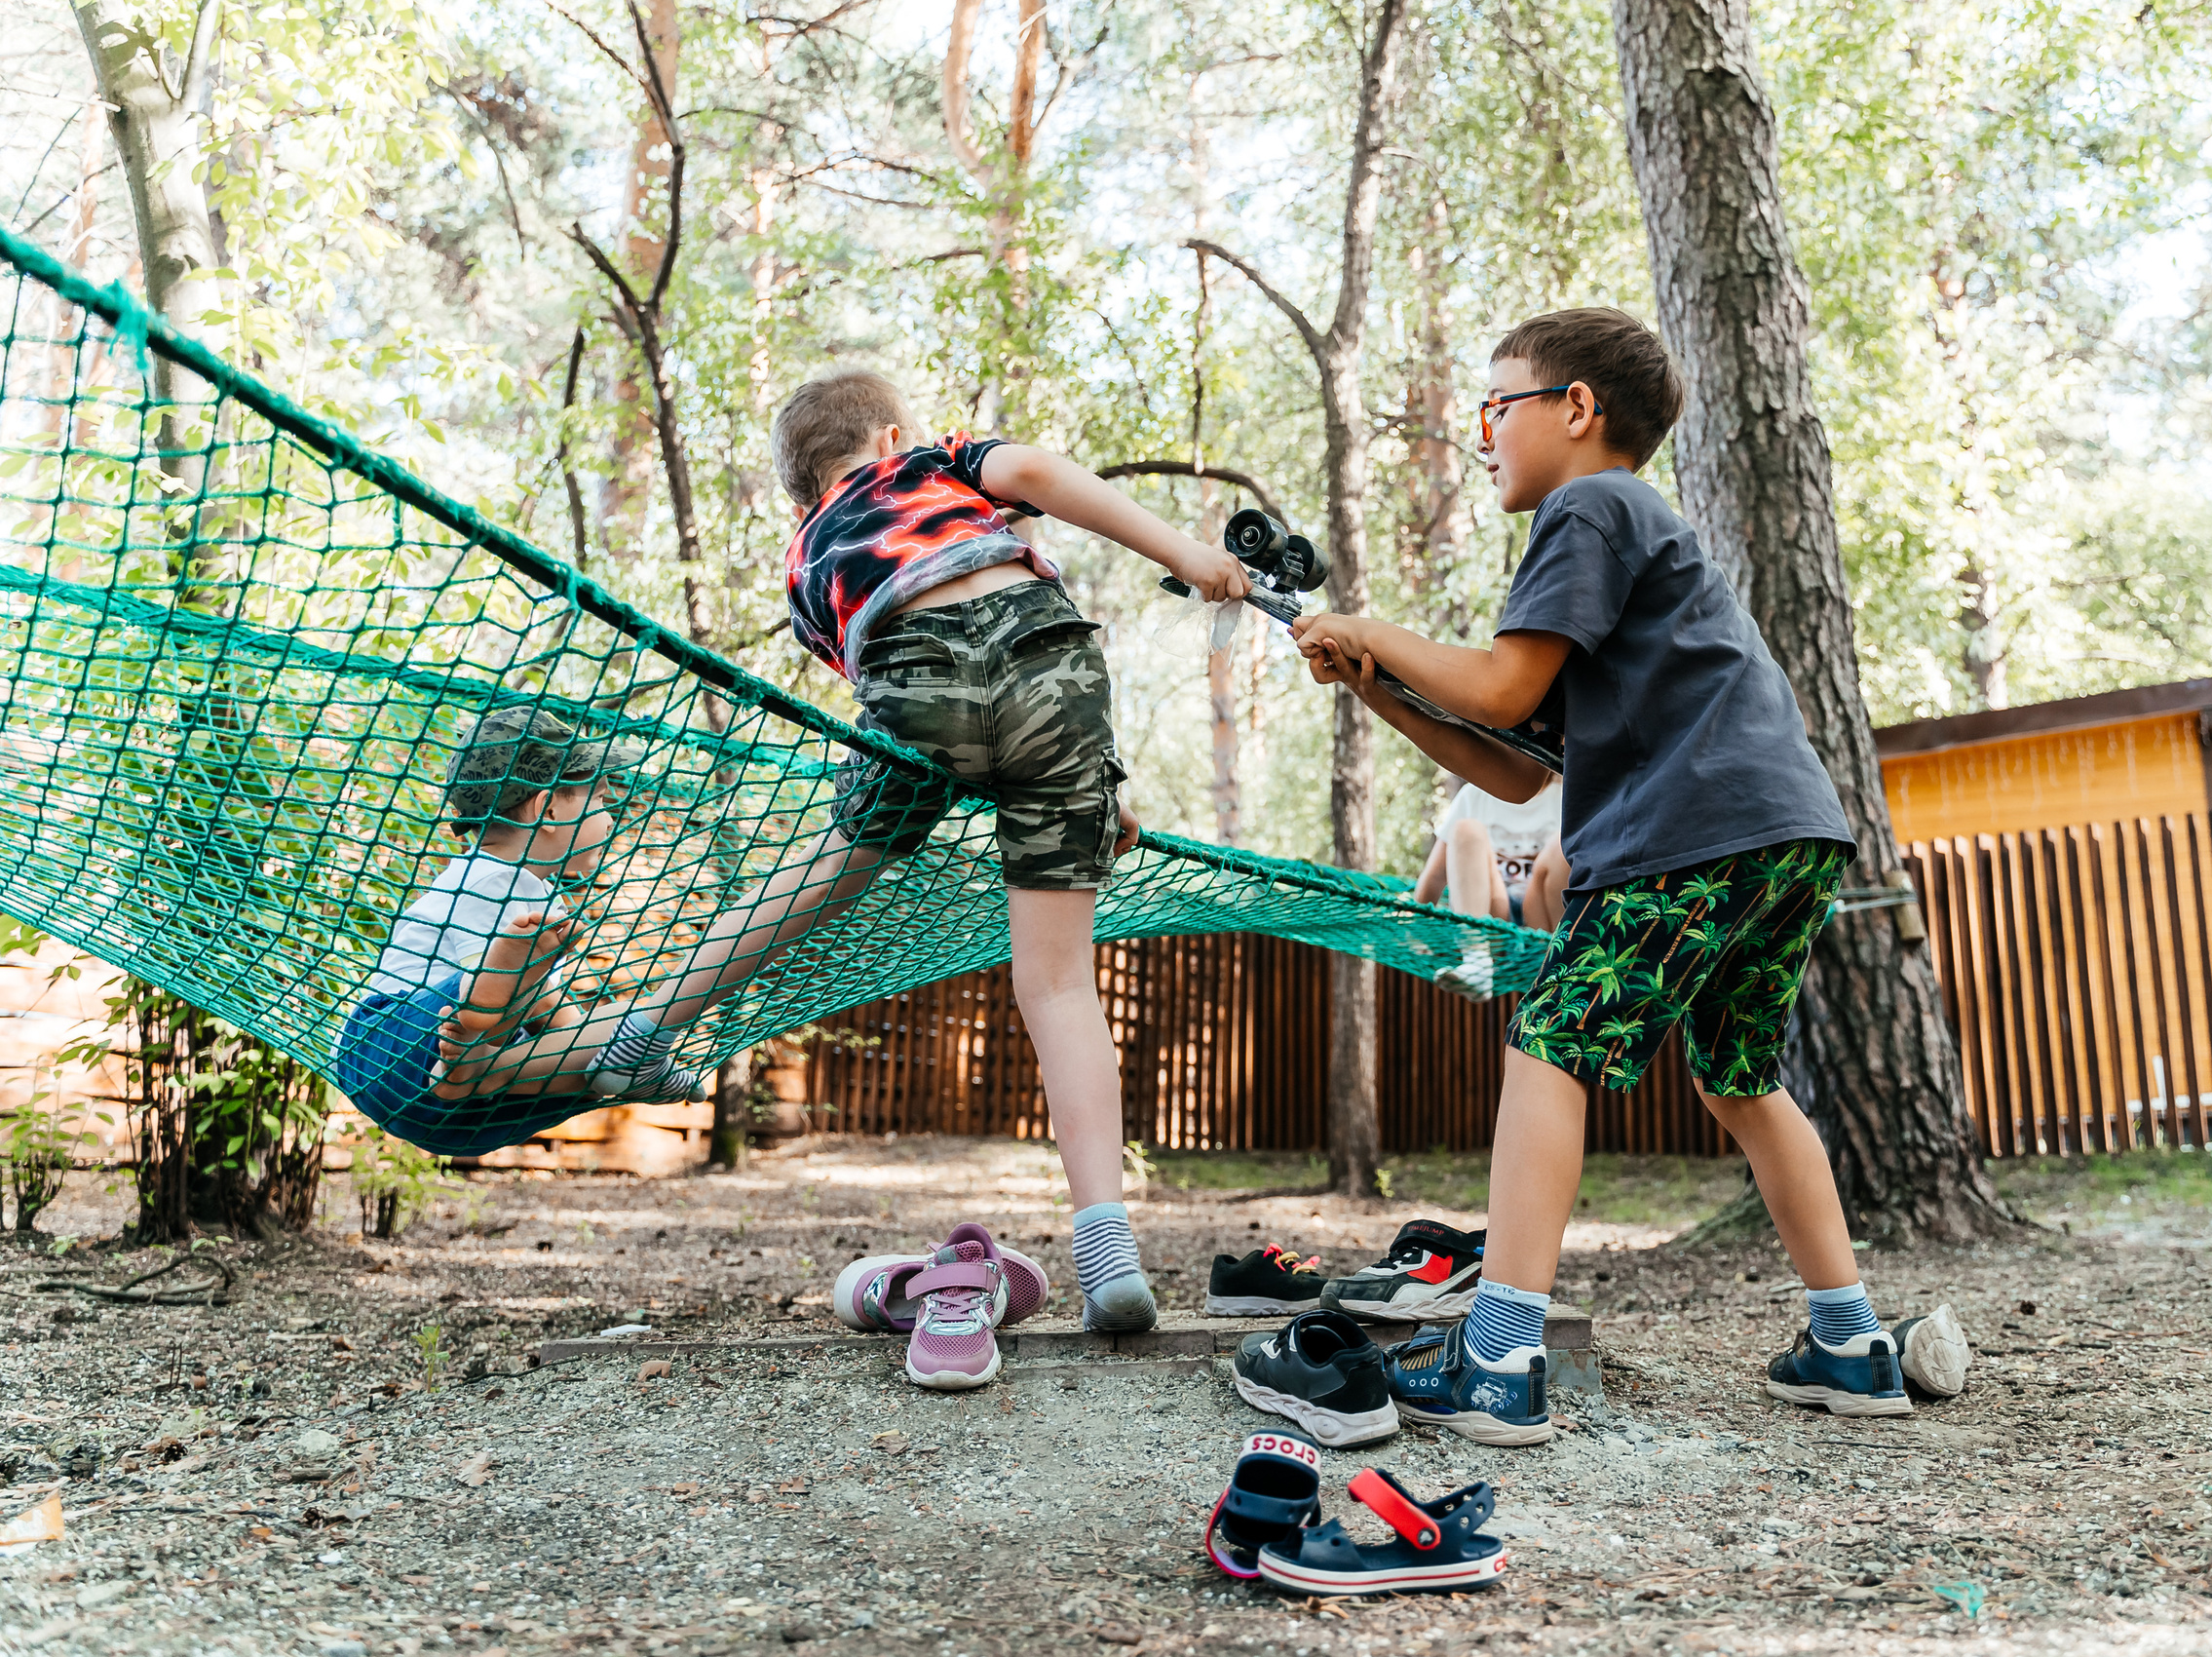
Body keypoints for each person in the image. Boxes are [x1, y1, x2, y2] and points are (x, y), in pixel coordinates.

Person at [1288, 307, 1969, 1441]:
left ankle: (1497, 1360)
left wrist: (1373, 626)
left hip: (1689, 831)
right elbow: (1510, 764)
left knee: (1551, 1046)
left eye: (1496, 403)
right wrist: (1373, 680)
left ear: (1576, 409)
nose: (1483, 430)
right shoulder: (1628, 542)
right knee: (1741, 1078)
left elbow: (1500, 687)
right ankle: (1849, 1344)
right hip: (1782, 833)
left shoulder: (1590, 506)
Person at [610, 366, 1249, 1334]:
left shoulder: (804, 557)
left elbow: (876, 668)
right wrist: (1187, 555)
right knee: (1060, 985)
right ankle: (1107, 1251)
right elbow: (1034, 473)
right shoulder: (933, 462)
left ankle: (649, 1026)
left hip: (914, 675)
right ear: (891, 432)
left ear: (803, 488)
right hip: (1055, 673)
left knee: (826, 869)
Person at [332, 708, 713, 1159]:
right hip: (394, 1048)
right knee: (524, 994)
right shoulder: (487, 878)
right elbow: (534, 1002)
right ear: (547, 809)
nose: (610, 817)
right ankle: (620, 1052)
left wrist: (603, 1040)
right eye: (600, 800)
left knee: (598, 1059)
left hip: (456, 1106)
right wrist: (590, 1032)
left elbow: (543, 1011)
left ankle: (630, 1064)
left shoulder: (536, 893)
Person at [1413, 779, 1563, 998]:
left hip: (1544, 924)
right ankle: (1476, 962)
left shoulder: (1564, 794)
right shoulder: (1475, 795)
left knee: (1564, 844)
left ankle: (1568, 957)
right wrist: (1417, 929)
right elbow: (1435, 876)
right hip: (1492, 922)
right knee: (1466, 829)